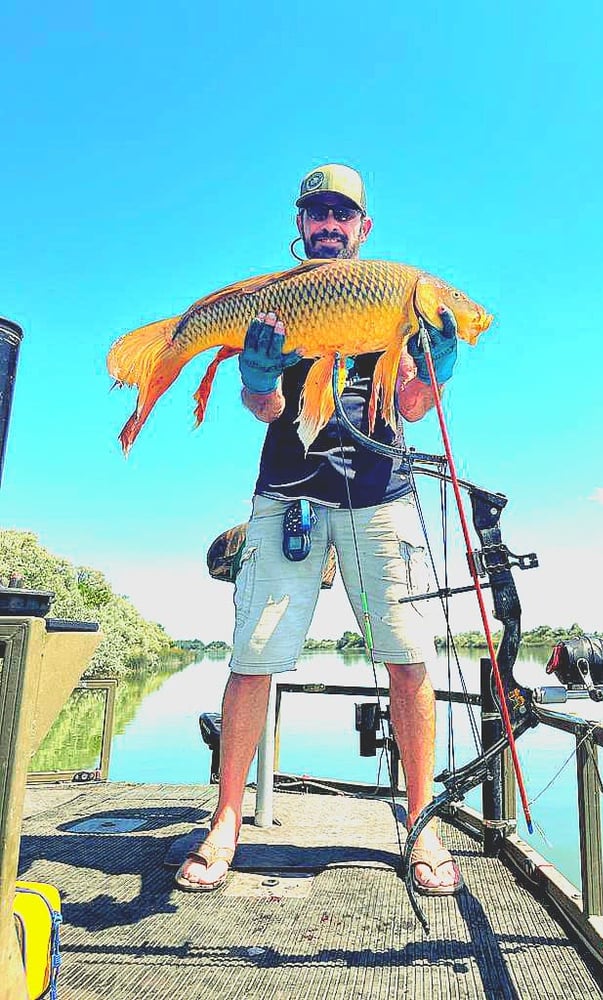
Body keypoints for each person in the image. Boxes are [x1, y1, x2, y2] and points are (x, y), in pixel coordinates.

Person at [175, 164, 463, 896]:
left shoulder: (392, 298)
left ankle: (421, 821)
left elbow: (413, 405)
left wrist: (439, 370)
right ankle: (226, 821)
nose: (329, 224)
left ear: (364, 228)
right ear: (300, 226)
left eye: (343, 214)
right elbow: (265, 411)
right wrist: (261, 378)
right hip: (289, 493)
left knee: (407, 659)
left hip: (379, 494)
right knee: (253, 659)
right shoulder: (280, 299)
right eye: (316, 213)